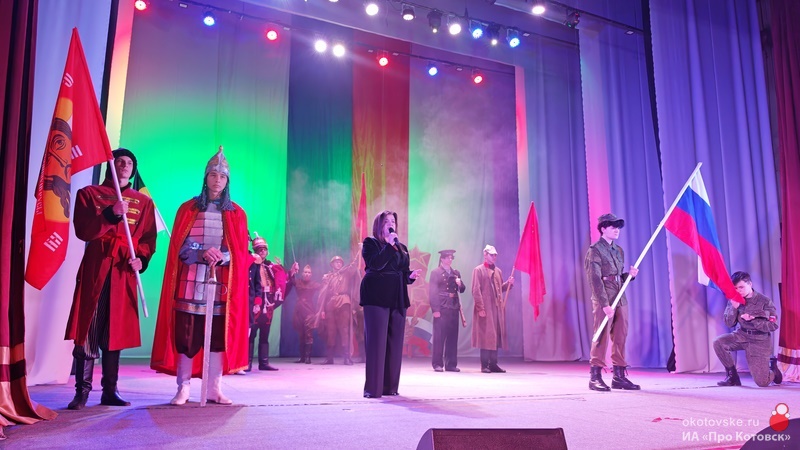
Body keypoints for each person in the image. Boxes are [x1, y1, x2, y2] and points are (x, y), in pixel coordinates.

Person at [150, 148, 252, 405]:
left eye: (222, 176)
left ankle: (213, 389)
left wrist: (222, 256)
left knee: (217, 340)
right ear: (206, 178)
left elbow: (239, 252)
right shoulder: (188, 209)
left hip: (221, 288)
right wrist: (201, 252)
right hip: (190, 283)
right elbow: (179, 248)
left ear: (228, 181)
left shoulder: (237, 214)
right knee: (187, 338)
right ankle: (183, 388)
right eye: (213, 175)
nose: (217, 180)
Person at [65, 149, 157, 409]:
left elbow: (148, 239)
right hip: (97, 266)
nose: (125, 166)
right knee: (88, 328)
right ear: (111, 165)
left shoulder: (143, 202)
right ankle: (82, 392)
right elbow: (83, 231)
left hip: (123, 270)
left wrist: (142, 259)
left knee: (114, 331)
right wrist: (110, 213)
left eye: (130, 163)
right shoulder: (89, 194)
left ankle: (110, 391)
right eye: (120, 161)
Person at [360, 210, 422, 398]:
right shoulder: (370, 243)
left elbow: (402, 271)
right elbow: (376, 264)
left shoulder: (401, 247)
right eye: (386, 221)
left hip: (397, 297)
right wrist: (388, 245)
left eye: (393, 221)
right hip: (376, 296)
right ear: (379, 225)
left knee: (394, 345)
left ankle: (390, 388)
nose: (390, 224)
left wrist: (410, 276)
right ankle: (373, 389)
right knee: (377, 344)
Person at [584, 213, 640, 391]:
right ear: (603, 229)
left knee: (621, 335)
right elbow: (595, 279)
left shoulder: (618, 250)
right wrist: (604, 304)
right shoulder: (594, 250)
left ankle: (619, 376)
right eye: (612, 227)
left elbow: (617, 277)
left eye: (618, 227)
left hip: (620, 296)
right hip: (604, 298)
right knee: (601, 335)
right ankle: (595, 377)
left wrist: (629, 276)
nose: (616, 230)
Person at [713, 271, 782, 387]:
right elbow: (729, 324)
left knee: (762, 382)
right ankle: (733, 377)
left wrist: (753, 319)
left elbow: (773, 325)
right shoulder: (734, 299)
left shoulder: (764, 301)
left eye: (741, 287)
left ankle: (773, 371)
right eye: (735, 288)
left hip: (759, 341)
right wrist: (733, 308)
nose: (738, 291)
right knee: (718, 342)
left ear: (750, 284)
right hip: (741, 335)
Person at [247, 235, 298, 371]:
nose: (262, 251)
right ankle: (247, 363)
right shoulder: (251, 265)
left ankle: (264, 363)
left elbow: (281, 282)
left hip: (268, 303)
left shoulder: (271, 267)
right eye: (260, 249)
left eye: (264, 249)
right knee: (251, 334)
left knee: (265, 334)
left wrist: (291, 273)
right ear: (255, 251)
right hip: (255, 303)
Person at [472, 245, 514, 373]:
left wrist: (508, 284)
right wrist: (480, 308)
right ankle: (484, 365)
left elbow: (499, 288)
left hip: (496, 309)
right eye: (491, 255)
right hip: (486, 308)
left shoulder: (498, 271)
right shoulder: (478, 270)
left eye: (495, 255)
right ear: (485, 254)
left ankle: (494, 364)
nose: (494, 257)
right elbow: (476, 290)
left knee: (495, 336)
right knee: (486, 336)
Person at [317, 254, 359, 365]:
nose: (338, 264)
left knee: (344, 330)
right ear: (332, 264)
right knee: (330, 331)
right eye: (336, 262)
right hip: (330, 303)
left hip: (343, 301)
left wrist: (359, 251)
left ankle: (346, 357)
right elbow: (323, 294)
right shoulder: (327, 277)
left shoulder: (346, 273)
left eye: (340, 262)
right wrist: (322, 310)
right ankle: (329, 358)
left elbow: (353, 266)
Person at [429, 249, 466, 372]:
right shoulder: (436, 273)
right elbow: (432, 292)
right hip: (442, 306)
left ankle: (451, 364)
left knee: (452, 337)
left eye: (451, 257)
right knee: (439, 337)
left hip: (454, 307)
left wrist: (460, 284)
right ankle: (437, 363)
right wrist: (435, 309)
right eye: (448, 257)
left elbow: (462, 289)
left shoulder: (456, 273)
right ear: (442, 259)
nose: (450, 259)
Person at [291, 265, 322, 364]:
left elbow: (324, 288)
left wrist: (327, 279)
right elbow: (290, 278)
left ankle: (308, 357)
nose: (307, 274)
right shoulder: (298, 282)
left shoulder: (314, 284)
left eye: (309, 272)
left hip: (309, 310)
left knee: (308, 333)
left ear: (311, 274)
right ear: (302, 273)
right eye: (305, 272)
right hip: (299, 310)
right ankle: (302, 357)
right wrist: (292, 270)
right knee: (301, 334)